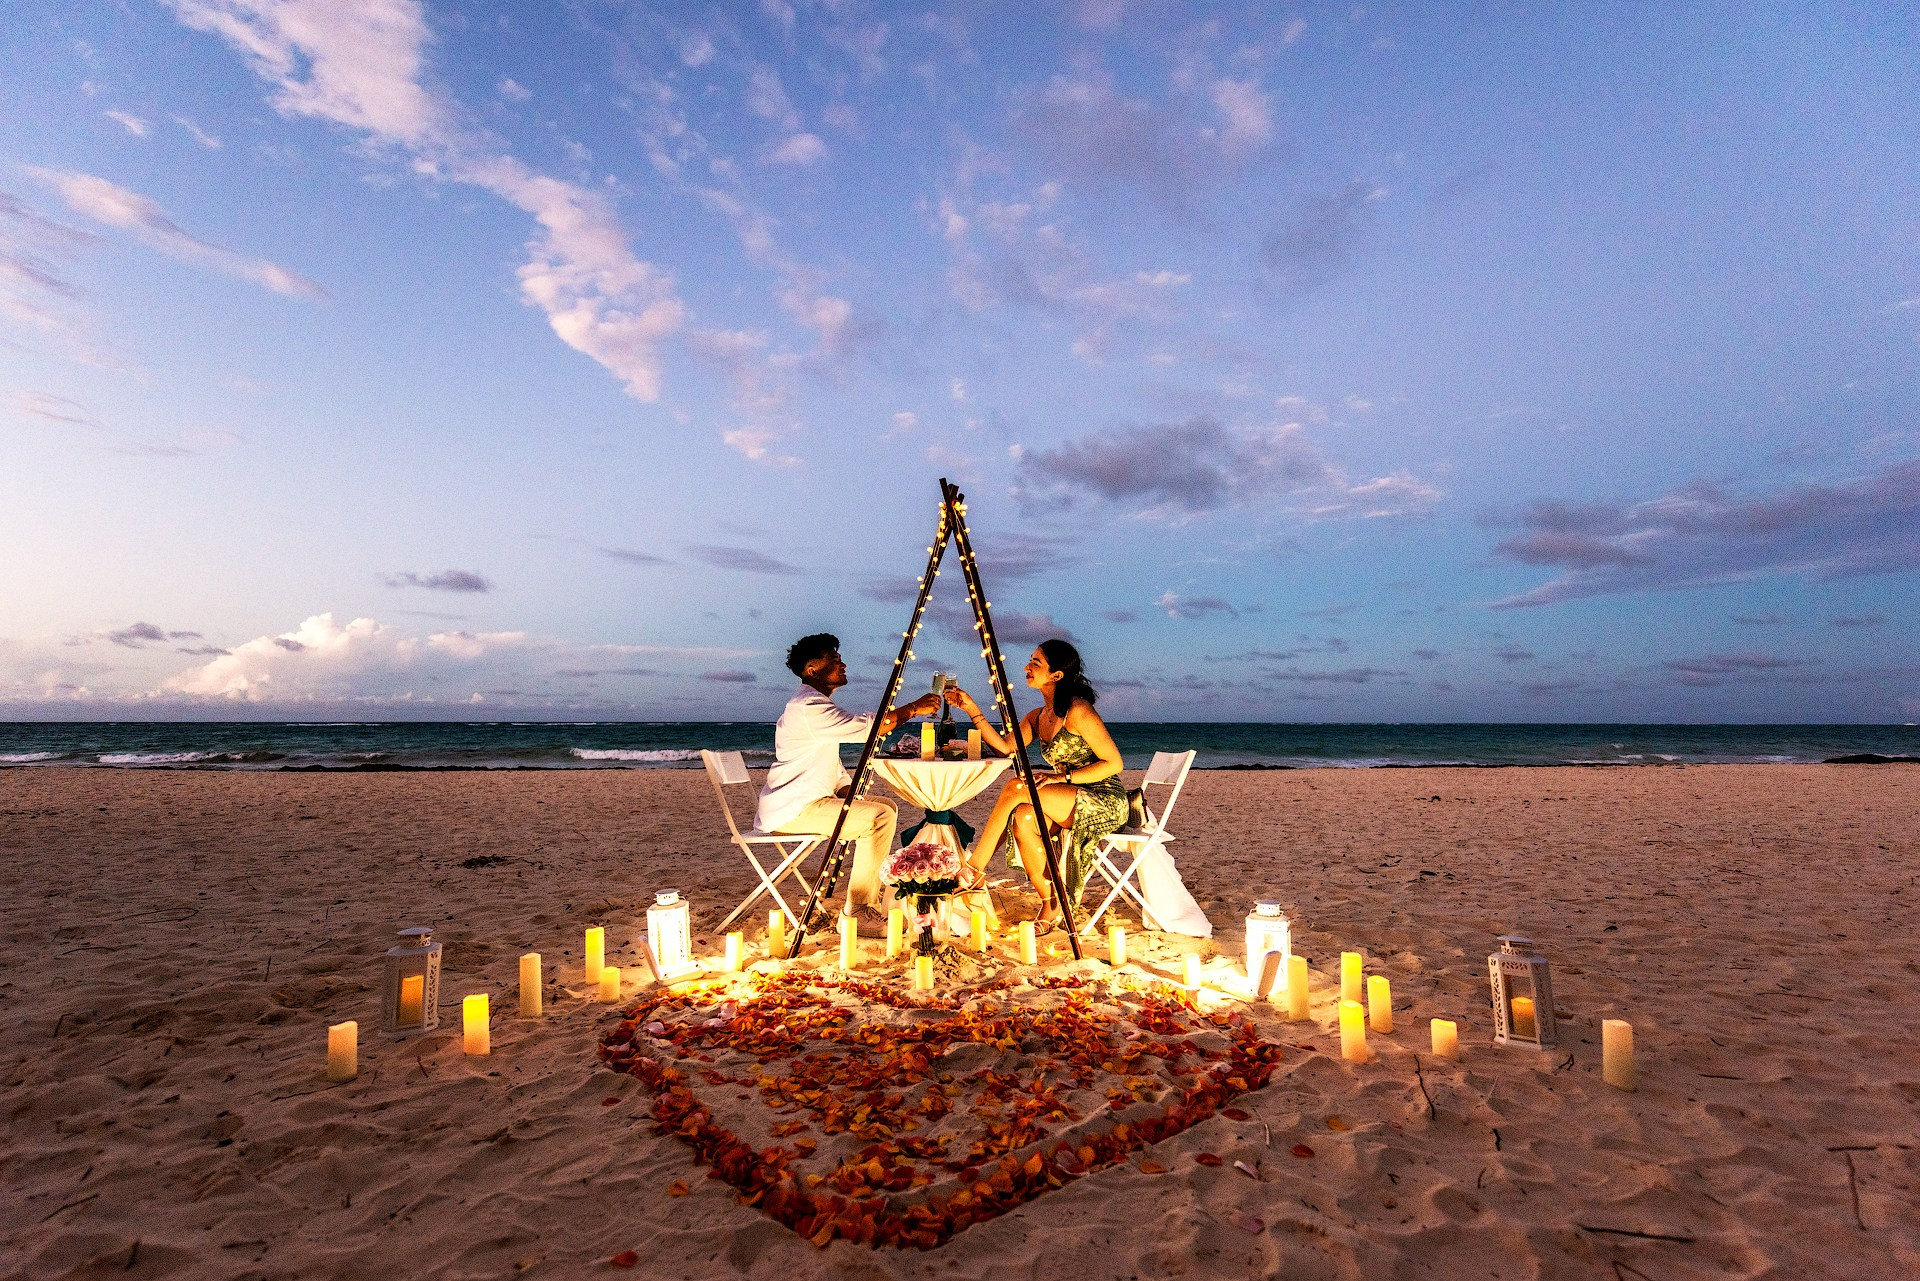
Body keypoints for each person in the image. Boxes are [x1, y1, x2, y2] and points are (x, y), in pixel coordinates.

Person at [756, 633, 940, 931]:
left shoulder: (813, 705)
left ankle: (865, 899)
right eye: (833, 659)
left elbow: (829, 763)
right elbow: (871, 728)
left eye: (840, 658)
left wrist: (846, 791)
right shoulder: (807, 707)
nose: (841, 664)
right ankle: (857, 910)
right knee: (877, 817)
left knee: (885, 806)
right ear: (812, 669)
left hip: (805, 800)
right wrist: (913, 708)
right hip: (794, 808)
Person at [944, 639, 1126, 933]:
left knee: (1017, 787)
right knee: (1022, 817)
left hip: (1102, 797)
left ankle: (975, 868)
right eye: (1030, 660)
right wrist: (970, 708)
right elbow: (1005, 748)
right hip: (1066, 797)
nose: (1027, 667)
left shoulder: (1078, 711)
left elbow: (1114, 763)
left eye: (1036, 663)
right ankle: (1050, 903)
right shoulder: (1038, 716)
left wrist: (1062, 778)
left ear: (1057, 675)